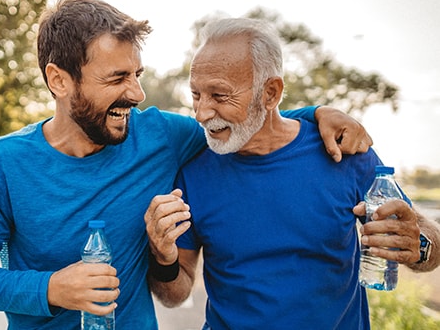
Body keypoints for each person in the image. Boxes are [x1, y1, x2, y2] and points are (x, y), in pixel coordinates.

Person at [0, 0, 373, 329]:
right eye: (117, 78)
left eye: (137, 74)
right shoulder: (0, 164)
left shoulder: (161, 137)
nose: (136, 94)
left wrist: (316, 114)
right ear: (59, 80)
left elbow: (245, 121)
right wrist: (51, 288)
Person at [144, 17, 440, 329]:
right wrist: (163, 258)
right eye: (196, 95)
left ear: (270, 93)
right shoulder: (193, 171)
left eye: (219, 96)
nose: (202, 113)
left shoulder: (342, 150)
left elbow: (430, 242)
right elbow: (175, 294)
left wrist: (419, 246)